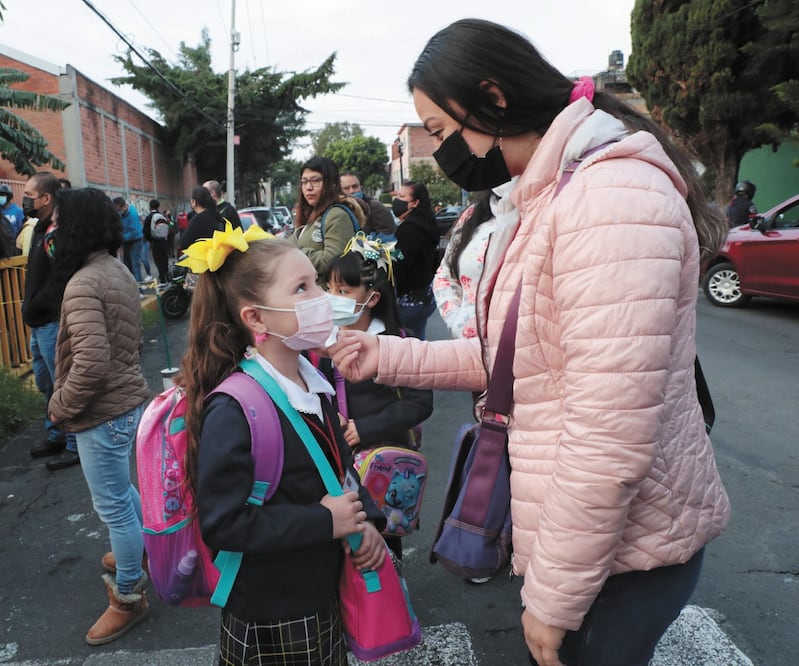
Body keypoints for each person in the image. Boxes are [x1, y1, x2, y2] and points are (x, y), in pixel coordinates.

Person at [330, 19, 731, 666]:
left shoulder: (608, 198)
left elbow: (608, 435)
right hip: (599, 549)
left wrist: (552, 597)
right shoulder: (551, 196)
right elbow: (521, 362)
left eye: (438, 131)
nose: (439, 154)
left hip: (620, 559)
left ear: (491, 100)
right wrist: (387, 355)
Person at [174, 224, 386, 666]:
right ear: (256, 318)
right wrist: (324, 522)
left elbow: (338, 470)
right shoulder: (235, 408)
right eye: (302, 288)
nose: (321, 299)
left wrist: (365, 521)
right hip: (272, 613)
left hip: (320, 591)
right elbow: (223, 524)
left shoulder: (314, 381)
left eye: (316, 282)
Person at [46, 187, 151, 645]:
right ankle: (143, 550)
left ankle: (128, 595)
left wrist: (59, 405)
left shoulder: (85, 281)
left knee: (113, 508)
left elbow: (90, 361)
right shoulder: (114, 268)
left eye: (58, 222)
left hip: (102, 410)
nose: (52, 230)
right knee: (120, 493)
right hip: (122, 403)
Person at [321, 235, 433, 560]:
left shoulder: (398, 342)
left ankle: (392, 598)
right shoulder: (323, 343)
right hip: (339, 459)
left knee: (385, 535)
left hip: (384, 461)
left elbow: (420, 403)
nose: (332, 298)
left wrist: (365, 428)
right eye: (329, 289)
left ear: (371, 299)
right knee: (348, 540)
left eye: (343, 291)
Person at [21, 172, 79, 470]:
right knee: (45, 383)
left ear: (46, 198)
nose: (25, 197)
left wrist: (47, 303)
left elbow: (63, 275)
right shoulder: (40, 227)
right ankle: (56, 434)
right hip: (38, 322)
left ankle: (73, 443)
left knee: (61, 383)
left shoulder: (57, 232)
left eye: (30, 192)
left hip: (51, 320)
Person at [433, 180, 515, 339]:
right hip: (469, 350)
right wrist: (456, 320)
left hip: (522, 351)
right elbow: (445, 274)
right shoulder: (473, 215)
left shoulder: (546, 210)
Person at [295, 156, 365, 275]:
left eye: (315, 181)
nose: (308, 188)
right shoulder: (313, 213)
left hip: (330, 291)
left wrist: (294, 253)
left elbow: (331, 262)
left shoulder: (337, 215)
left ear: (332, 183)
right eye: (304, 182)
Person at [391, 181, 440, 340]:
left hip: (408, 301)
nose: (397, 200)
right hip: (425, 297)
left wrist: (382, 256)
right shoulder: (428, 224)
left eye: (402, 196)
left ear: (415, 203)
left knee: (405, 346)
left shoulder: (409, 229)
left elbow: (400, 261)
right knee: (418, 341)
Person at [176, 186, 226, 254]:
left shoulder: (198, 220)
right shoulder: (217, 216)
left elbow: (183, 244)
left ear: (194, 201)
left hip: (202, 260)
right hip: (217, 258)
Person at [112, 197, 145, 282]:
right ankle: (131, 286)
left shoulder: (132, 213)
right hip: (126, 241)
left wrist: (121, 237)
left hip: (135, 241)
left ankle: (139, 289)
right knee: (126, 265)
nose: (118, 211)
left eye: (119, 209)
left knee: (135, 265)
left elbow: (134, 231)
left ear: (124, 207)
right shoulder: (121, 214)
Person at [142, 199, 170, 285]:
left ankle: (162, 280)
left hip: (155, 242)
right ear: (158, 206)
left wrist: (150, 240)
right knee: (165, 259)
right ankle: (168, 277)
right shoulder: (162, 216)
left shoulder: (149, 217)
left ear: (150, 207)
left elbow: (145, 231)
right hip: (164, 241)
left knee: (158, 261)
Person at [0, 183, 25, 258]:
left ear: (9, 197)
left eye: (3, 195)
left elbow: (22, 230)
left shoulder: (18, 211)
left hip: (14, 247)